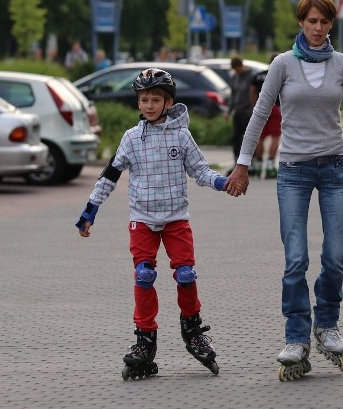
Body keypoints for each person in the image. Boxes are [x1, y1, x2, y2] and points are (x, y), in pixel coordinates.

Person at [225, 0, 343, 379]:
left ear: (330, 25)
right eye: (311, 21)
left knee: (334, 254)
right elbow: (259, 115)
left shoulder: (342, 64)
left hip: (334, 167)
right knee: (295, 259)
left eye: (324, 22)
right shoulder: (283, 65)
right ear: (301, 22)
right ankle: (296, 336)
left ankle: (326, 325)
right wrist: (242, 165)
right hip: (292, 169)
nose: (317, 28)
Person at [74, 68, 228, 379]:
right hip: (142, 219)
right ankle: (144, 339)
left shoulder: (181, 136)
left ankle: (193, 329)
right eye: (144, 99)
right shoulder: (131, 138)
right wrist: (91, 209)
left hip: (176, 219)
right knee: (144, 274)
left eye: (155, 99)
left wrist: (222, 182)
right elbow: (110, 175)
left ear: (168, 102)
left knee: (185, 273)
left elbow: (200, 171)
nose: (148, 105)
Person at [248, 52, 283, 179]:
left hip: (260, 106)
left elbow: (251, 91)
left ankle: (258, 165)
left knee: (260, 137)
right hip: (274, 107)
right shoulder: (280, 76)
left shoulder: (258, 75)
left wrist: (254, 106)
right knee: (275, 136)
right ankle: (269, 166)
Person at [226, 56, 255, 175]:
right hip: (238, 110)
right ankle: (236, 161)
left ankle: (250, 162)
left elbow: (254, 93)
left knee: (248, 138)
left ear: (240, 66)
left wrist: (253, 108)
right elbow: (233, 95)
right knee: (236, 138)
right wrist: (229, 110)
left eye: (237, 69)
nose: (237, 71)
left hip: (247, 110)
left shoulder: (251, 76)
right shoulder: (234, 77)